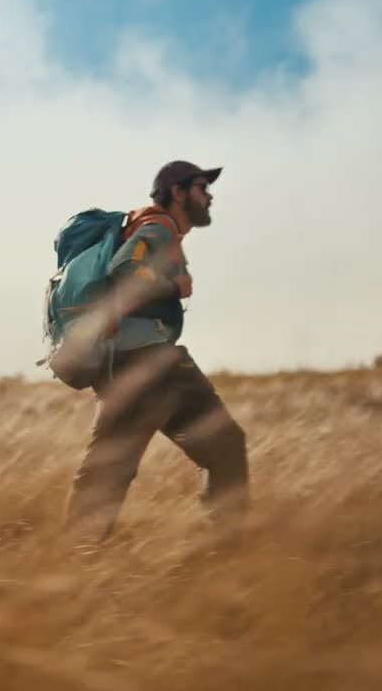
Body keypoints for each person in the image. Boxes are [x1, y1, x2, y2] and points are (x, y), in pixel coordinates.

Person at [62, 160, 249, 543]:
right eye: (201, 187)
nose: (209, 195)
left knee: (107, 473)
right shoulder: (158, 226)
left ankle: (77, 561)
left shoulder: (150, 226)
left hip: (126, 363)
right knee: (225, 446)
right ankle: (232, 551)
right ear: (178, 192)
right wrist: (171, 284)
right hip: (148, 362)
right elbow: (126, 269)